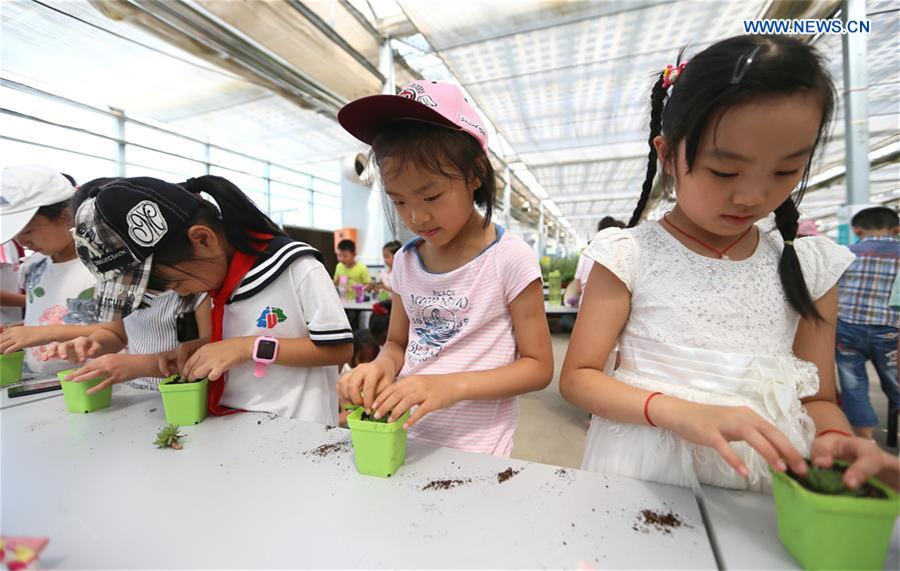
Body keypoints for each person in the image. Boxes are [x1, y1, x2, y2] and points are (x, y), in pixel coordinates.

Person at [560, 35, 885, 493]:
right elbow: (579, 378)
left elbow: (818, 398)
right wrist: (679, 412)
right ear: (668, 154)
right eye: (725, 171)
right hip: (643, 469)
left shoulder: (807, 265)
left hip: (762, 476)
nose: (752, 196)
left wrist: (835, 437)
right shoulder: (628, 254)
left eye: (785, 171)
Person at [336, 80, 553, 456]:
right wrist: (380, 367)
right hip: (408, 431)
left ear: (474, 175)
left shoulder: (509, 258)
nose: (416, 216)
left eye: (431, 196)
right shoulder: (406, 261)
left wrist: (447, 386)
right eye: (399, 201)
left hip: (479, 446)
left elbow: (538, 367)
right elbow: (398, 344)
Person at [71, 176, 353, 423]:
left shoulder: (295, 267)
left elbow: (337, 350)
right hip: (237, 428)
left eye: (176, 282)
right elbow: (239, 341)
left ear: (203, 239)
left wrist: (244, 348)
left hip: (298, 432)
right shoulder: (215, 283)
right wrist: (201, 349)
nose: (179, 292)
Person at [0, 166, 98, 378]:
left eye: (29, 231)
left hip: (95, 383)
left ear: (66, 216)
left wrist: (40, 333)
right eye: (16, 235)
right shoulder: (34, 266)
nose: (22, 241)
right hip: (39, 382)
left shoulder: (103, 265)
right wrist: (17, 331)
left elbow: (121, 332)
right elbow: (52, 315)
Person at [835, 206, 899, 439]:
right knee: (896, 379)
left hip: (848, 329)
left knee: (853, 384)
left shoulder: (846, 253)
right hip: (891, 331)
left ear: (857, 230)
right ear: (896, 229)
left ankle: (865, 440)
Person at [574, 217, 625, 300]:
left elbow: (578, 285)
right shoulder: (619, 253)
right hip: (610, 302)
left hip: (585, 303)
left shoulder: (587, 252)